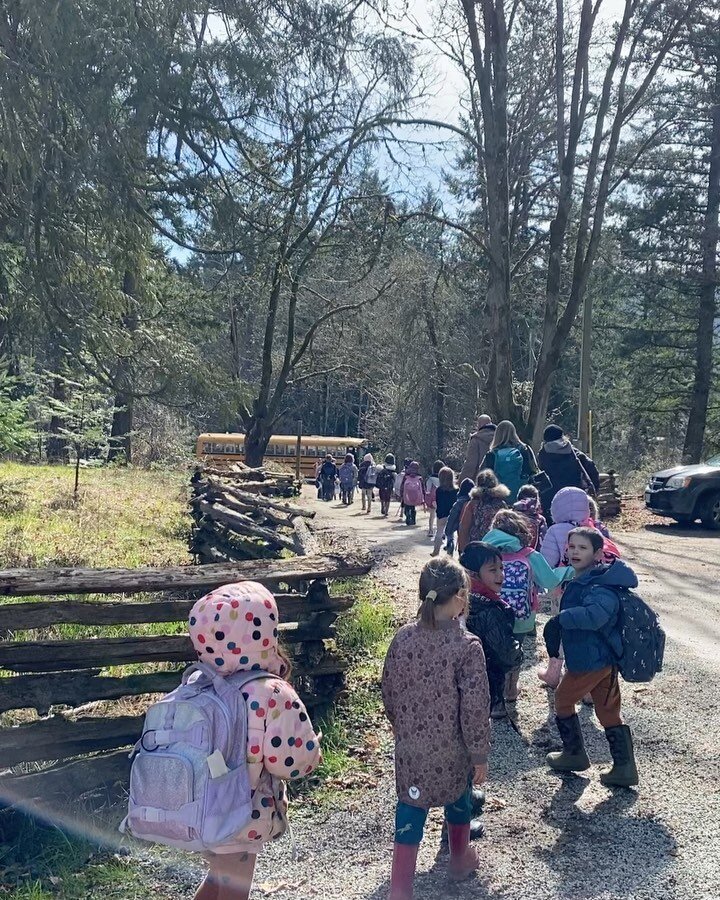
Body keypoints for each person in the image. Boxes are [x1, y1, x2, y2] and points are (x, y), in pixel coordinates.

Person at [188, 582, 322, 900]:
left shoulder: (198, 682)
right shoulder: (268, 693)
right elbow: (293, 760)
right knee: (234, 891)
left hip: (197, 810)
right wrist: (312, 749)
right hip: (239, 815)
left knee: (218, 881)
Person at [382, 557, 490, 898]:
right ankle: (458, 860)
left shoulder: (403, 638)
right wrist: (479, 753)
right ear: (460, 596)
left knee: (410, 805)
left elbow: (389, 687)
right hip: (452, 748)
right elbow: (475, 706)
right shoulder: (466, 646)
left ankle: (400, 886)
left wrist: (400, 725)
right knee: (458, 796)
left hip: (411, 746)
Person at [544, 527, 639, 787]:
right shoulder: (580, 580)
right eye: (572, 546)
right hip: (601, 660)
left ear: (597, 553)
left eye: (582, 548)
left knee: (563, 700)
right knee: (608, 711)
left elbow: (597, 616)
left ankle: (574, 754)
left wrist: (561, 620)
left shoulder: (599, 584)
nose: (575, 551)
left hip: (590, 659)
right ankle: (624, 769)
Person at [483, 510, 570, 704]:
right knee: (515, 650)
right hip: (522, 617)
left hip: (489, 614)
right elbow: (550, 580)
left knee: (493, 653)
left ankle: (496, 702)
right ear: (521, 530)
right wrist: (569, 570)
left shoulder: (485, 552)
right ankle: (511, 689)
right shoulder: (529, 555)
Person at [460, 542, 523, 722]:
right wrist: (518, 654)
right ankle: (495, 706)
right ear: (473, 574)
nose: (500, 575)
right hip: (484, 679)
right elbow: (504, 651)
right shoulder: (492, 609)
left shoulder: (458, 598)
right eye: (493, 570)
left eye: (501, 568)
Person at [537, 425, 600, 518]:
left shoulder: (542, 455)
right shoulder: (574, 453)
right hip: (574, 498)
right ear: (562, 436)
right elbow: (592, 471)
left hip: (550, 500)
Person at [480, 420, 537, 503]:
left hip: (498, 498)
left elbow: (483, 476)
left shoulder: (491, 454)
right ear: (514, 432)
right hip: (522, 497)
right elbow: (533, 470)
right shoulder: (524, 450)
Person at [457, 470, 509, 554]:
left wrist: (462, 550)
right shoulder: (501, 503)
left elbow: (464, 527)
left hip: (476, 546)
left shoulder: (473, 503)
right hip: (496, 545)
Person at [459, 414, 497, 483]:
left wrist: (461, 482)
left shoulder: (476, 440)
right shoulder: (500, 438)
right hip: (497, 480)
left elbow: (471, 464)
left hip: (481, 480)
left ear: (479, 425)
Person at [431, 467, 459, 556]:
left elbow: (438, 503)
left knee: (439, 532)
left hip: (441, 514)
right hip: (453, 515)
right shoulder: (456, 490)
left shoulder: (439, 490)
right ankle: (450, 549)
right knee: (450, 534)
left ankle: (436, 551)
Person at [513, 484, 548, 550]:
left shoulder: (512, 515)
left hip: (514, 554)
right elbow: (544, 540)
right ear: (537, 500)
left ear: (518, 498)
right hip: (533, 555)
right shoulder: (540, 519)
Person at [445, 478, 474, 556]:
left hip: (462, 533)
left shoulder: (459, 502)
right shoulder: (476, 503)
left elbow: (452, 517)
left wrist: (448, 532)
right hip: (474, 533)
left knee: (462, 552)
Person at [400, 461, 425, 526]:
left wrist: (401, 494)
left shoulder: (406, 476)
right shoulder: (419, 477)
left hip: (407, 496)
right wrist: (423, 496)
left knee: (407, 507)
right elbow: (422, 488)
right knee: (413, 507)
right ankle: (413, 519)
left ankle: (408, 515)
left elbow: (402, 486)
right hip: (415, 496)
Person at [425, 460, 444, 538]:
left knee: (432, 515)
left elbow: (428, 490)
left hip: (433, 499)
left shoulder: (430, 479)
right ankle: (441, 532)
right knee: (441, 516)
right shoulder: (443, 478)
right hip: (442, 499)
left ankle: (430, 530)